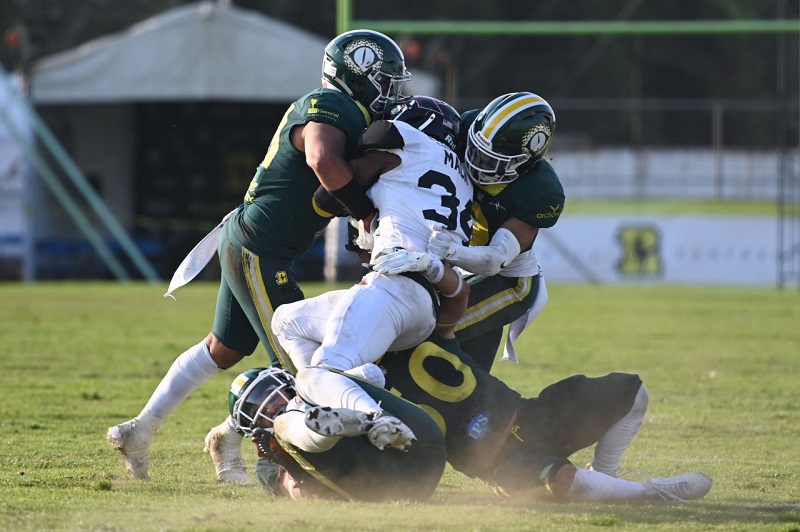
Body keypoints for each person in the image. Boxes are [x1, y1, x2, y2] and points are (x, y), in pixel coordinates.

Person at [107, 29, 412, 481]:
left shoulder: (350, 111)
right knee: (299, 363)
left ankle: (143, 430)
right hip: (259, 248)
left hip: (257, 243)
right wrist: (365, 212)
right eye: (385, 80)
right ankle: (264, 461)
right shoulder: (332, 105)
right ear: (357, 76)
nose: (392, 90)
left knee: (225, 349)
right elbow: (323, 161)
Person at [269, 95, 473, 442]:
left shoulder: (406, 143)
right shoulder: (464, 183)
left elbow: (328, 196)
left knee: (316, 374)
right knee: (286, 320)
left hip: (390, 288)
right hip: (424, 309)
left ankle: (373, 417)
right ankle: (344, 393)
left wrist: (366, 213)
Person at [426, 92, 564, 371]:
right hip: (464, 266)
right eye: (476, 151)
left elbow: (495, 260)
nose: (476, 162)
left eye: (491, 161)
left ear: (524, 162)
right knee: (470, 362)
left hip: (508, 280)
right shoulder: (467, 127)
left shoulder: (539, 190)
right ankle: (482, 410)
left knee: (430, 334)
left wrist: (451, 251)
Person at [225, 366, 447, 501]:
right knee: (284, 425)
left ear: (285, 385)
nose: (271, 408)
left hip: (419, 440)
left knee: (307, 374)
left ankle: (374, 418)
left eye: (271, 397)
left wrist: (344, 378)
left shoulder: (312, 387)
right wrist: (289, 463)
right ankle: (320, 426)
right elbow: (303, 496)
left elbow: (375, 374)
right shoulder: (267, 460)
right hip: (390, 486)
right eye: (261, 411)